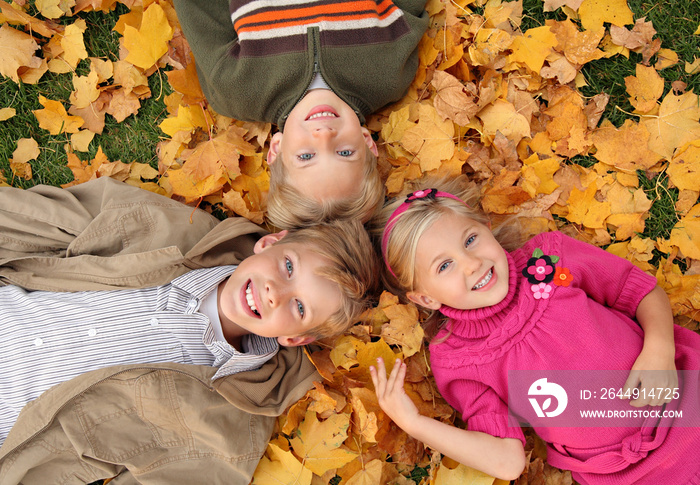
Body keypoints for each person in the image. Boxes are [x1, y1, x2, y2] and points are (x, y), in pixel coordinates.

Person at [0, 178, 380, 483]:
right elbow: (50, 219)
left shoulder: (226, 433)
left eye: (299, 307)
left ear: (296, 338)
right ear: (270, 242)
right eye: (288, 268)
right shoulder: (174, 232)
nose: (273, 293)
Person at [368, 179, 700, 483]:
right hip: (632, 474)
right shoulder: (459, 361)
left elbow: (637, 290)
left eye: (470, 240)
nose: (471, 263)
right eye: (444, 265)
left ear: (486, 228)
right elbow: (507, 462)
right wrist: (414, 424)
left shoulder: (549, 264)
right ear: (425, 297)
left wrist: (659, 349)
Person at [173, 0, 429, 228]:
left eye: (306, 156)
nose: (324, 136)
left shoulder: (236, 89)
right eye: (345, 153)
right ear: (367, 142)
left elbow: (201, 12)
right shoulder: (388, 73)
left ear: (277, 149)